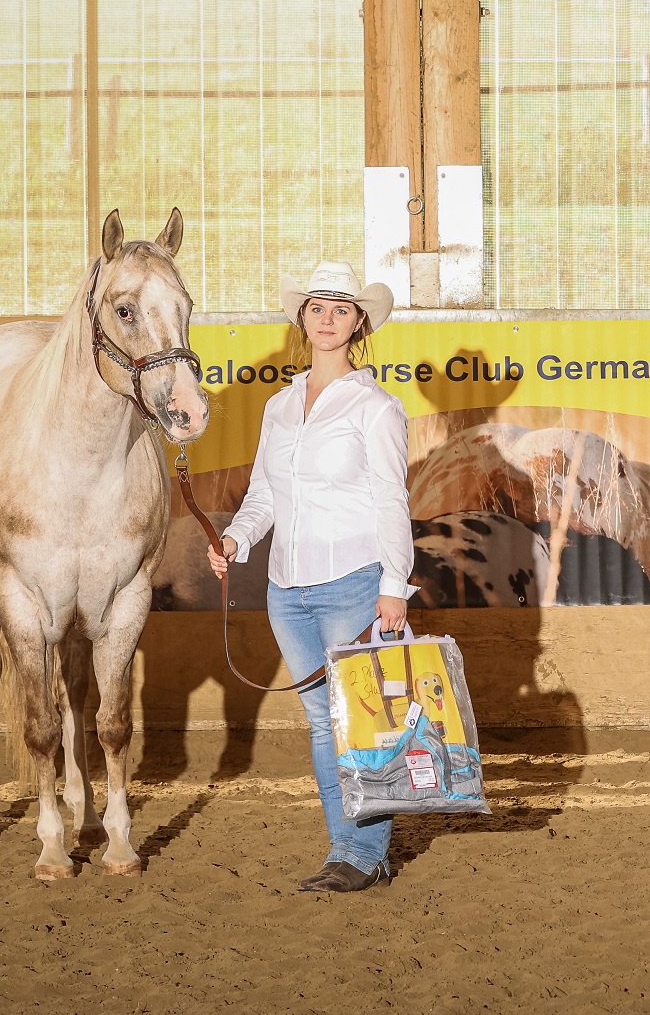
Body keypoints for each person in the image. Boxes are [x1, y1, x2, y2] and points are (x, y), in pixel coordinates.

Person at [207, 261, 415, 893]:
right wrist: (237, 538)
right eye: (317, 307)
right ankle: (346, 849)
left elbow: (392, 500)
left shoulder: (376, 407)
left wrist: (394, 586)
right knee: (324, 724)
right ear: (302, 319)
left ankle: (363, 854)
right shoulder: (278, 407)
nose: (327, 319)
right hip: (286, 592)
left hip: (354, 582)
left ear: (358, 325)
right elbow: (264, 494)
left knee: (360, 722)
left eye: (340, 309)